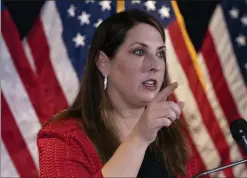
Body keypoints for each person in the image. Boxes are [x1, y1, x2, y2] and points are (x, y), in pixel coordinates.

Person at [37, 9, 198, 178]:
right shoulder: (63, 138)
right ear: (103, 63)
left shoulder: (172, 136)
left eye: (160, 54)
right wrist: (139, 138)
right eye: (139, 52)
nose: (155, 65)